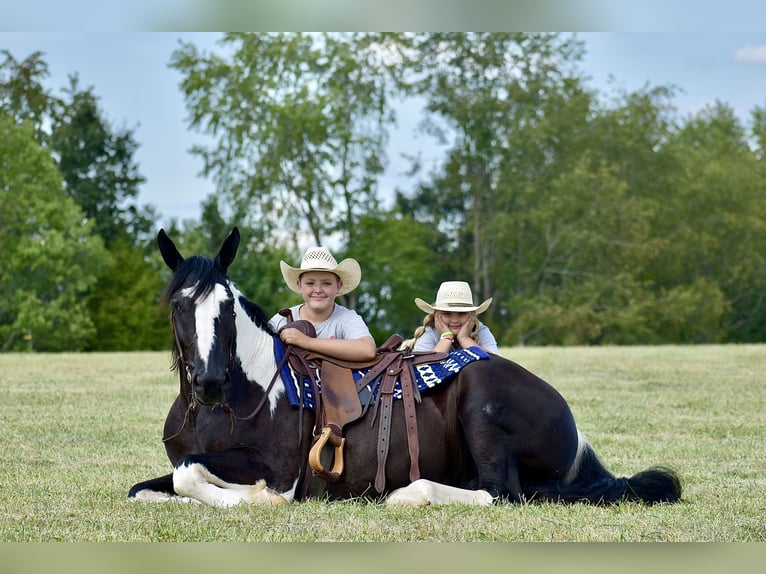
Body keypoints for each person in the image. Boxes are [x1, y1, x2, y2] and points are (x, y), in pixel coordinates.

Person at [269, 246, 377, 362]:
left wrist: (306, 342)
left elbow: (367, 350)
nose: (318, 290)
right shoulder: (281, 320)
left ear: (338, 286)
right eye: (310, 283)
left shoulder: (347, 318)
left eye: (326, 283)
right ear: (299, 285)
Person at [410, 281, 498, 354]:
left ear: (472, 315)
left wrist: (464, 339)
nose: (455, 320)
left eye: (462, 313)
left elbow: (496, 363)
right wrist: (446, 337)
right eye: (447, 314)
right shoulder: (431, 334)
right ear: (436, 315)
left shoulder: (481, 331)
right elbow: (423, 367)